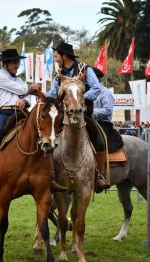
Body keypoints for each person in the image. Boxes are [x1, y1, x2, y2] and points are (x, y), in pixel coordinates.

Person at [0, 48, 67, 191]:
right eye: (14, 63)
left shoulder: (17, 78)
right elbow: (22, 90)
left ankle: (50, 175)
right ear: (6, 63)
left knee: (43, 134)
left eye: (18, 62)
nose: (17, 65)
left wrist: (24, 102)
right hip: (6, 113)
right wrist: (30, 88)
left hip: (21, 112)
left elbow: (26, 96)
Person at [47, 42, 110, 192]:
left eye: (56, 56)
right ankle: (48, 174)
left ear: (64, 56)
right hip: (62, 114)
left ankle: (100, 175)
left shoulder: (85, 69)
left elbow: (96, 89)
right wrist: (44, 99)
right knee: (46, 137)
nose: (55, 59)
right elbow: (53, 92)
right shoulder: (59, 74)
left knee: (99, 138)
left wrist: (78, 98)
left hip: (82, 113)